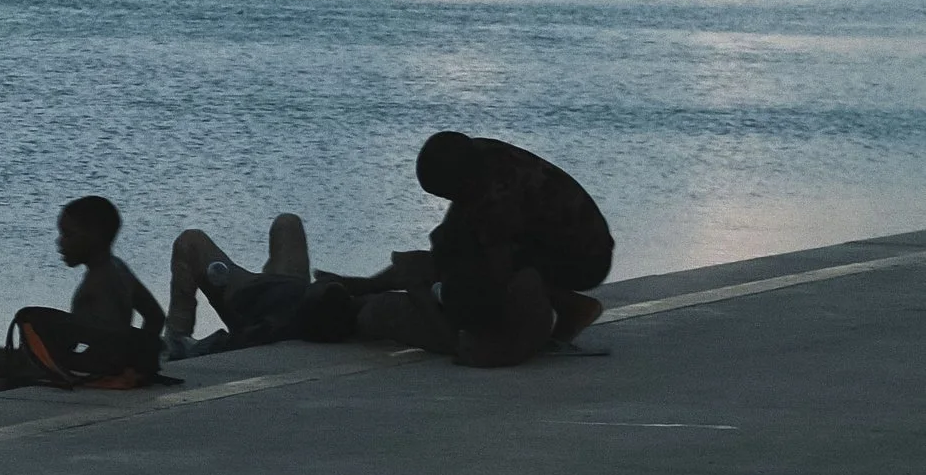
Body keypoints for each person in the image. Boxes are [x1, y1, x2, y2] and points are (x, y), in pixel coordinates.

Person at [357, 134, 615, 367]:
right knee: (456, 244)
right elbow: (450, 236)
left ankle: (573, 308)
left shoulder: (499, 198)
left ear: (463, 184)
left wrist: (476, 327)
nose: (450, 201)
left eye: (449, 194)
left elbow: (496, 268)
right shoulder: (480, 155)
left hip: (586, 258)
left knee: (493, 266)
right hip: (564, 239)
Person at [0, 196, 168, 396]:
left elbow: (80, 345)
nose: (60, 243)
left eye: (68, 235)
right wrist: (137, 363)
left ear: (93, 237)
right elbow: (155, 316)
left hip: (90, 372)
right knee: (5, 366)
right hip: (109, 368)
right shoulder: (119, 269)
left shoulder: (93, 287)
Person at [163, 214, 366, 359]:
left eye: (321, 289)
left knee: (189, 241)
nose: (321, 285)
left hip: (246, 295)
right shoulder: (340, 304)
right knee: (288, 222)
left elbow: (241, 339)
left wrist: (201, 348)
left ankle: (177, 339)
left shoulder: (279, 323)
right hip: (284, 281)